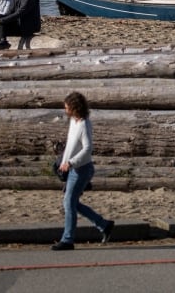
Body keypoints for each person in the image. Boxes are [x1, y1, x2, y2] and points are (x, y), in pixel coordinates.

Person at [51, 92, 115, 251]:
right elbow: (71, 145)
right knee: (72, 203)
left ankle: (67, 240)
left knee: (68, 202)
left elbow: (87, 149)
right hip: (72, 169)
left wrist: (71, 163)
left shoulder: (84, 125)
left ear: (74, 107)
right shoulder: (73, 121)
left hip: (81, 170)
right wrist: (62, 162)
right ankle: (104, 224)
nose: (65, 110)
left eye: (67, 107)